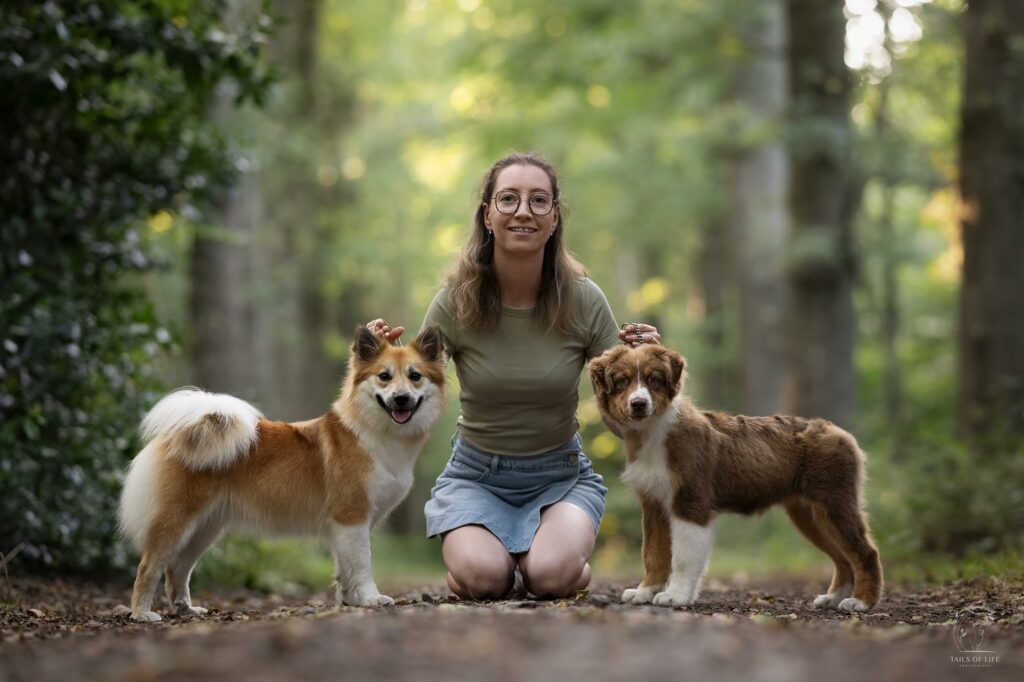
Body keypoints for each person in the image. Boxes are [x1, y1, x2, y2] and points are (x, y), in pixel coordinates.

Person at [369, 152, 660, 600]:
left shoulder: (585, 300)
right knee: (485, 580)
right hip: (475, 475)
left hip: (560, 475)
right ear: (487, 216)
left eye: (538, 200)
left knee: (551, 578)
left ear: (554, 218)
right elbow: (412, 394)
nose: (523, 211)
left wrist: (647, 367)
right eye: (508, 199)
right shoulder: (454, 301)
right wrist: (378, 361)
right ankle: (485, 567)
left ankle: (548, 564)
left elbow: (627, 413)